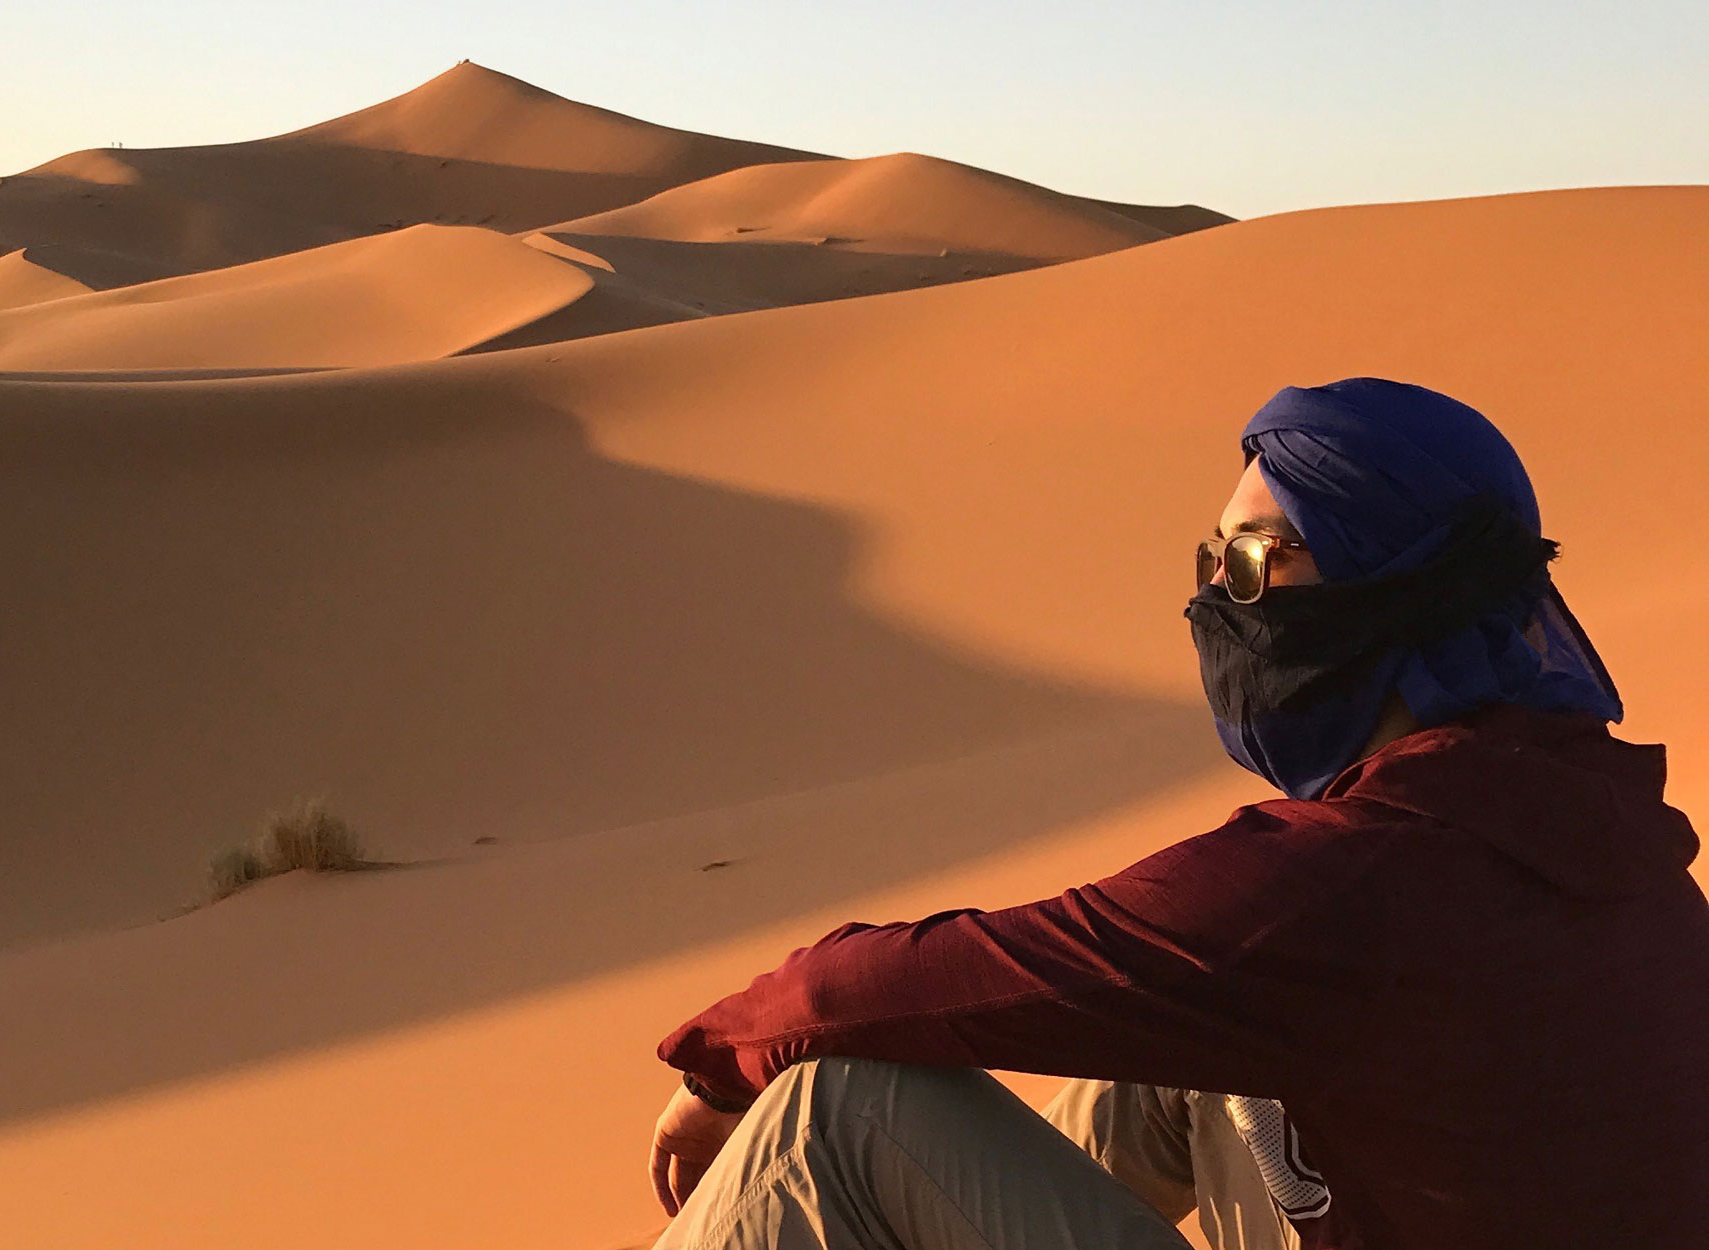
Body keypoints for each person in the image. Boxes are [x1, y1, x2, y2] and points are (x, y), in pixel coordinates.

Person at [644, 379, 1707, 1250]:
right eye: (1214, 559)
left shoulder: (1363, 877)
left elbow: (864, 986)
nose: (1217, 597)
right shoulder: (1577, 818)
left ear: (1390, 589)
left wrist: (718, 1069)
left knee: (834, 1109)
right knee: (1186, 1058)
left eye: (1254, 558)